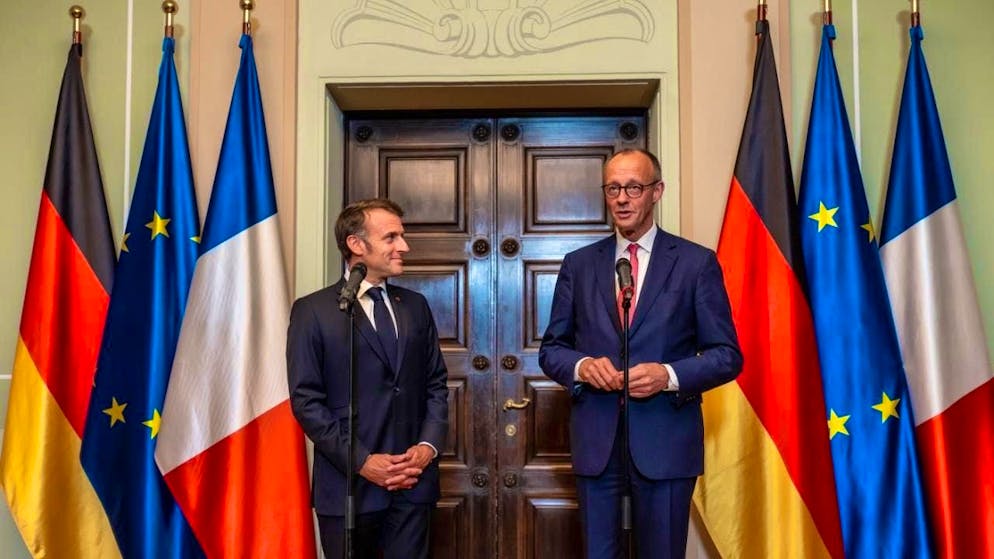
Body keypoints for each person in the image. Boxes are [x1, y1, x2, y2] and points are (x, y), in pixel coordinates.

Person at [539, 149, 743, 558]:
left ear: (656, 192)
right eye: (613, 188)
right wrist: (581, 366)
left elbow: (727, 355)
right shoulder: (578, 265)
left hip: (666, 444)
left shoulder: (695, 263)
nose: (622, 198)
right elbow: (552, 349)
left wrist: (667, 375)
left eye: (634, 187)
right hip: (597, 443)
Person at [287, 198, 448, 559]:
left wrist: (427, 449)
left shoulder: (416, 306)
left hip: (413, 483)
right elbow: (306, 401)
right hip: (349, 485)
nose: (403, 246)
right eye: (391, 237)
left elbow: (436, 384)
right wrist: (362, 461)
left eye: (401, 237)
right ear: (356, 245)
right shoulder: (313, 311)